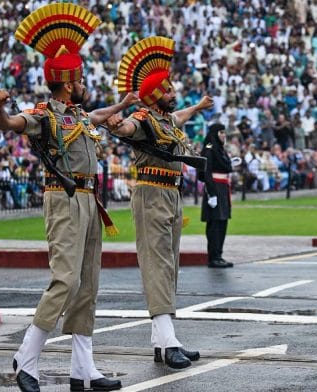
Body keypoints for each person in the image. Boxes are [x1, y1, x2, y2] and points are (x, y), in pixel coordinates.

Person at [0, 4, 133, 391]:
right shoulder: (45, 115)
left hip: (89, 201)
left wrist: (123, 105)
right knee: (65, 280)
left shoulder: (80, 115)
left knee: (87, 284)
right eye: (81, 79)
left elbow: (100, 116)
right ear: (69, 83)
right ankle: (26, 358)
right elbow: (14, 124)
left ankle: (83, 370)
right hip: (64, 199)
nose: (85, 84)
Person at [107, 36, 210, 370]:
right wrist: (117, 120)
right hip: (151, 193)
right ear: (154, 96)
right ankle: (169, 343)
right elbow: (127, 127)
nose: (173, 93)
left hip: (172, 194)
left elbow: (178, 117)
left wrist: (198, 107)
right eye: (167, 90)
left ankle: (161, 340)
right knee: (157, 266)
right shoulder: (143, 119)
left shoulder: (165, 121)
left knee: (170, 268)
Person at [201, 123, 234, 268]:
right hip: (214, 187)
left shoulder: (220, 149)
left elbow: (225, 167)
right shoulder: (209, 149)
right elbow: (206, 173)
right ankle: (213, 257)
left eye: (224, 132)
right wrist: (211, 193)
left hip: (223, 187)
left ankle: (219, 255)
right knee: (214, 224)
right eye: (221, 132)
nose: (223, 135)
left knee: (222, 222)